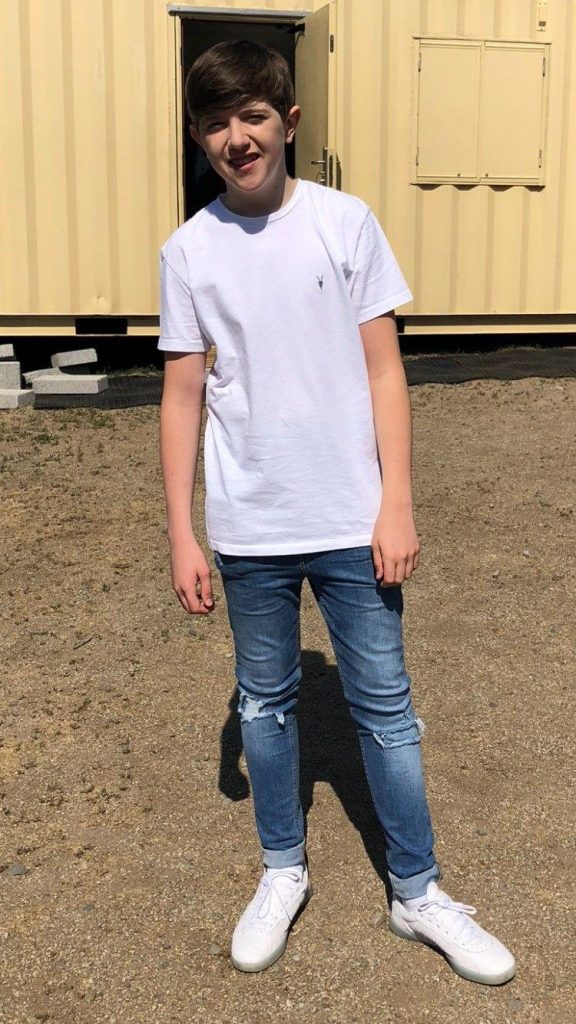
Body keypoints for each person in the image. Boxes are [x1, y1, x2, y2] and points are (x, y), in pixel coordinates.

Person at [158, 39, 516, 985]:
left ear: (290, 122)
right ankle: (283, 869)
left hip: (355, 523)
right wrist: (183, 530)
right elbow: (182, 397)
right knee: (266, 705)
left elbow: (384, 369)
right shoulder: (188, 250)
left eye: (254, 118)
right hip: (251, 528)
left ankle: (418, 890)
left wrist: (396, 503)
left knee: (387, 713)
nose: (237, 140)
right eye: (215, 124)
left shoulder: (345, 223)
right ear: (199, 137)